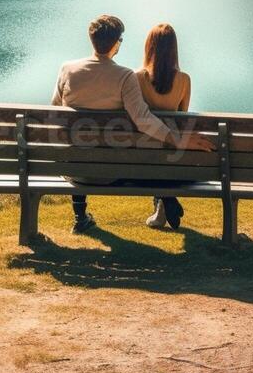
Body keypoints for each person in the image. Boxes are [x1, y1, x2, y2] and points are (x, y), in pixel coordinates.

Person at [52, 15, 213, 234]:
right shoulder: (124, 77)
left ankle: (80, 217)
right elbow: (143, 120)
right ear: (117, 43)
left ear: (92, 39)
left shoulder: (67, 69)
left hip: (73, 168)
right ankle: (164, 194)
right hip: (114, 171)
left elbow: (54, 113)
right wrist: (179, 139)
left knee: (81, 142)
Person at [136, 23, 192, 231]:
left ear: (149, 47)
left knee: (152, 146)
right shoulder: (184, 80)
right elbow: (183, 117)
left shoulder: (137, 78)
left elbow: (136, 116)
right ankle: (166, 198)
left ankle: (162, 205)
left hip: (141, 153)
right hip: (171, 154)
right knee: (166, 145)